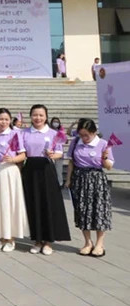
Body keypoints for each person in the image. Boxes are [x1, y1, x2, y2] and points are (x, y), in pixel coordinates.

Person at [21, 104, 71, 255]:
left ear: (46, 117)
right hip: (30, 169)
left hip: (46, 169)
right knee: (33, 204)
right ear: (31, 116)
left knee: (48, 204)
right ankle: (36, 240)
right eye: (35, 115)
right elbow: (22, 152)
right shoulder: (24, 133)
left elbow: (59, 153)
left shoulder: (53, 133)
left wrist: (52, 154)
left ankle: (48, 241)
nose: (38, 118)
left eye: (41, 115)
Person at [65, 118, 113, 258]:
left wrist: (104, 158)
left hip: (96, 180)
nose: (84, 138)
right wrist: (68, 179)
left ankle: (99, 244)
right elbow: (71, 162)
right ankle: (87, 242)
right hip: (79, 179)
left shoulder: (103, 144)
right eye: (81, 135)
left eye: (87, 135)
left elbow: (109, 167)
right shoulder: (75, 142)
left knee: (99, 211)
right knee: (82, 211)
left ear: (94, 132)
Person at [0, 108, 28, 252]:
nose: (3, 122)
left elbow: (23, 155)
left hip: (9, 171)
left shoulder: (15, 134)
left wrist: (13, 159)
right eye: (1, 119)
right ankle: (1, 237)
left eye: (6, 119)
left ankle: (10, 238)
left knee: (9, 204)